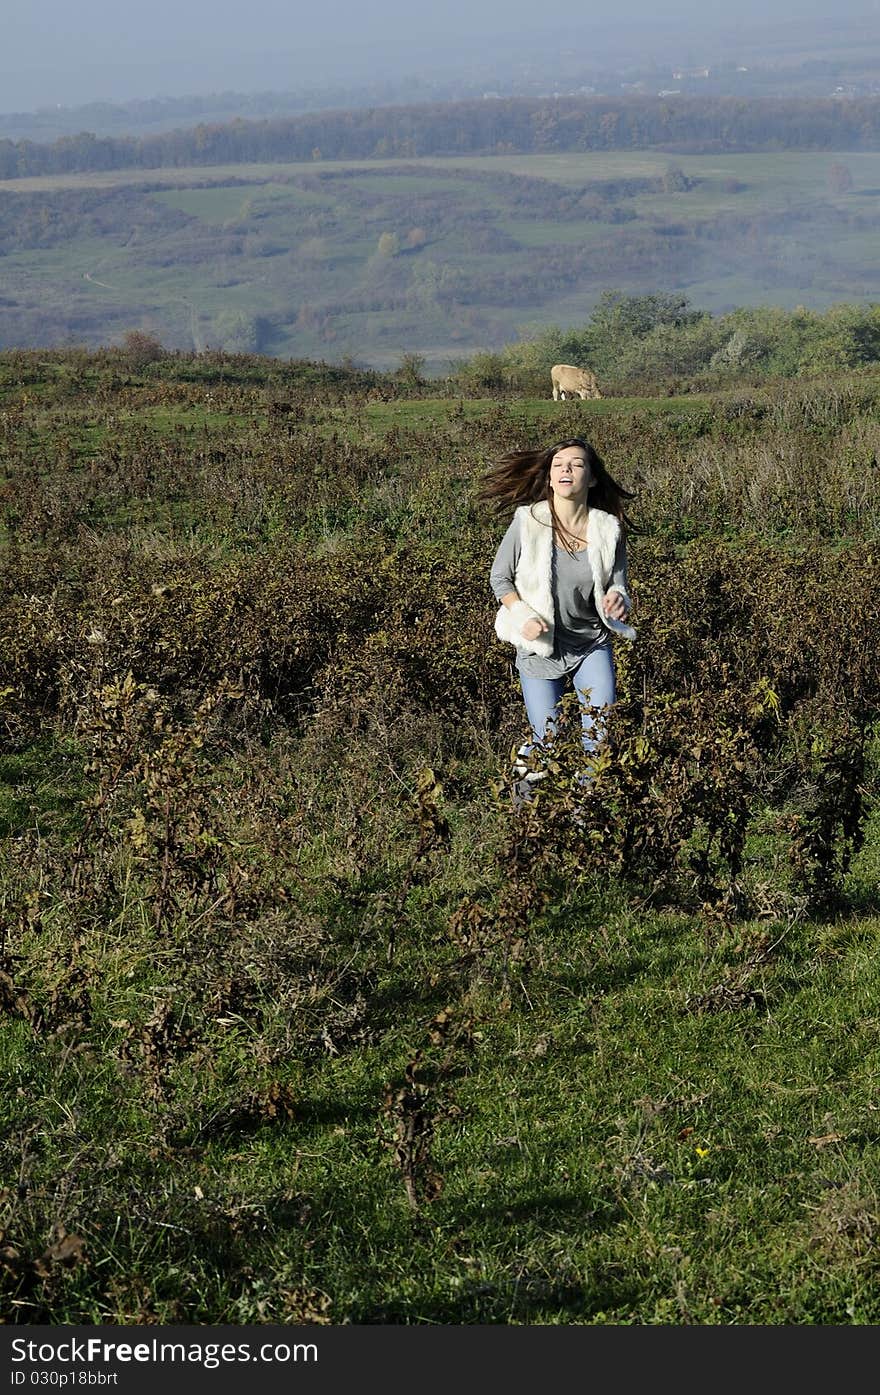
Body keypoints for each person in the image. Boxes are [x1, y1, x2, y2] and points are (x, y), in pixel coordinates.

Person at [480, 435, 636, 804]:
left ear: (592, 478)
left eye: (577, 464)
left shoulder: (608, 529)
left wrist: (618, 599)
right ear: (550, 478)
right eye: (559, 465)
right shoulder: (528, 522)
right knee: (546, 743)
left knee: (598, 738)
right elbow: (499, 577)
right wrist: (522, 616)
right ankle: (524, 804)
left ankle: (584, 818)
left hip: (591, 643)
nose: (567, 469)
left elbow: (618, 582)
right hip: (540, 647)